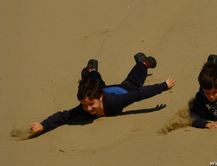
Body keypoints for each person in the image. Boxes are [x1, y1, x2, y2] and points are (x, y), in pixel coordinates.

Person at [30, 53, 176, 134]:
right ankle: (91, 71)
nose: (88, 109)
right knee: (96, 83)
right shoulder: (86, 106)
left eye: (91, 104)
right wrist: (43, 125)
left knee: (133, 81)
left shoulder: (114, 102)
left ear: (100, 98)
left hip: (123, 89)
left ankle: (144, 63)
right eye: (85, 105)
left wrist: (163, 86)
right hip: (103, 89)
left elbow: (138, 94)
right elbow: (63, 116)